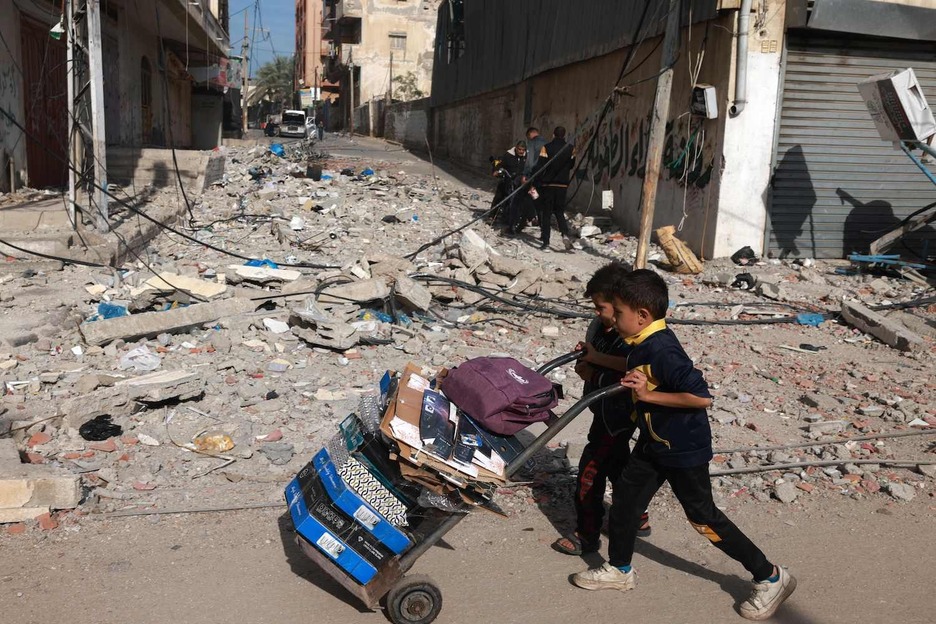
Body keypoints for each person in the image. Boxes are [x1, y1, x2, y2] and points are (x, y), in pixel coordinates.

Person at [571, 269, 796, 622]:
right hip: (653, 443)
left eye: (618, 312)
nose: (612, 319)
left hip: (682, 449)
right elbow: (629, 363)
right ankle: (619, 569)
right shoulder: (642, 341)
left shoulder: (663, 349)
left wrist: (648, 395)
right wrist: (596, 357)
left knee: (703, 517)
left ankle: (769, 576)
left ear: (641, 315)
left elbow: (700, 397)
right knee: (626, 503)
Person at [552, 262, 651, 557]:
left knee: (591, 472)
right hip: (601, 406)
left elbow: (633, 366)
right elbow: (593, 354)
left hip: (619, 412)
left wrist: (594, 368)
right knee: (617, 462)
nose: (597, 313)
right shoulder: (599, 326)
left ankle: (587, 535)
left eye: (602, 308)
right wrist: (586, 359)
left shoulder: (632, 333)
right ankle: (637, 515)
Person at [534, 126, 575, 251]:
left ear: (553, 134)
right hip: (562, 184)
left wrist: (536, 181)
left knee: (546, 213)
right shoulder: (571, 148)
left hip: (548, 184)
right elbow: (571, 165)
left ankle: (546, 243)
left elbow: (541, 165)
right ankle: (565, 234)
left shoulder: (546, 147)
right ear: (564, 135)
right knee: (559, 211)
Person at [490, 141, 526, 229]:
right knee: (499, 196)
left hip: (519, 182)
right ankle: (492, 216)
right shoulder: (508, 155)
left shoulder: (526, 157)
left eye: (523, 150)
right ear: (516, 148)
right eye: (519, 149)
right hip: (507, 178)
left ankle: (519, 220)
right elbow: (500, 164)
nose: (521, 151)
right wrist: (496, 171)